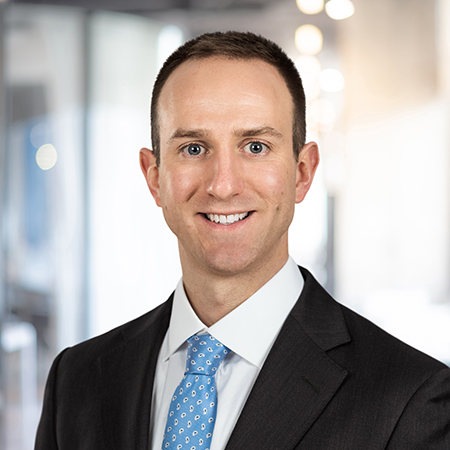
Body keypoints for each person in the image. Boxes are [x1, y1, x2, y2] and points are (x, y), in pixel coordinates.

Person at [35, 31, 450, 450]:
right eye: (193, 149)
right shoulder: (76, 379)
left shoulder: (410, 399)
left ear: (302, 172)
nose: (223, 185)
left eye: (255, 146)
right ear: (154, 177)